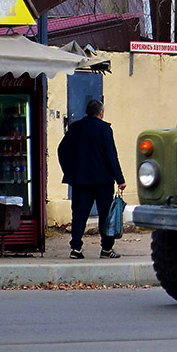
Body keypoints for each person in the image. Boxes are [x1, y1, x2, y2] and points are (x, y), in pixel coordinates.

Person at [57, 99, 126, 259]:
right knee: (105, 215)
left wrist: (68, 170)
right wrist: (120, 179)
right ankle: (106, 249)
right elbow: (111, 155)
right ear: (100, 113)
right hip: (103, 180)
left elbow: (61, 150)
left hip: (80, 180)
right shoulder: (105, 129)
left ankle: (76, 248)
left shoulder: (75, 128)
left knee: (79, 214)